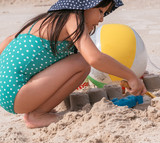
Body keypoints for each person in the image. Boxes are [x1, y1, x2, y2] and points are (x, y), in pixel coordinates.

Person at [0, 0, 146, 128]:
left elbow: (10, 39)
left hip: (7, 91)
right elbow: (94, 58)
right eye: (100, 11)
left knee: (77, 60)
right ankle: (37, 115)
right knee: (81, 64)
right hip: (16, 95)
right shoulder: (72, 19)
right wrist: (130, 76)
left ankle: (37, 110)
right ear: (84, 5)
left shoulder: (49, 20)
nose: (101, 19)